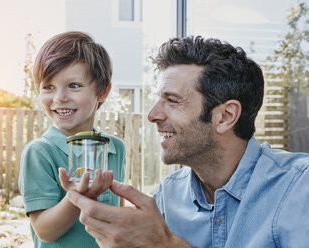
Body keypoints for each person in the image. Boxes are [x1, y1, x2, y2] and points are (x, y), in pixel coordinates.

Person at [65, 36, 309, 248]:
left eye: (172, 100)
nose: (152, 115)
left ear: (225, 116)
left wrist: (165, 245)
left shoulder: (299, 188)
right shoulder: (168, 196)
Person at [18, 31, 126, 248]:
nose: (59, 98)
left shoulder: (115, 148)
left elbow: (118, 213)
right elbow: (44, 231)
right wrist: (75, 197)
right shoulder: (40, 153)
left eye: (74, 85)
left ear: (103, 91)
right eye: (49, 86)